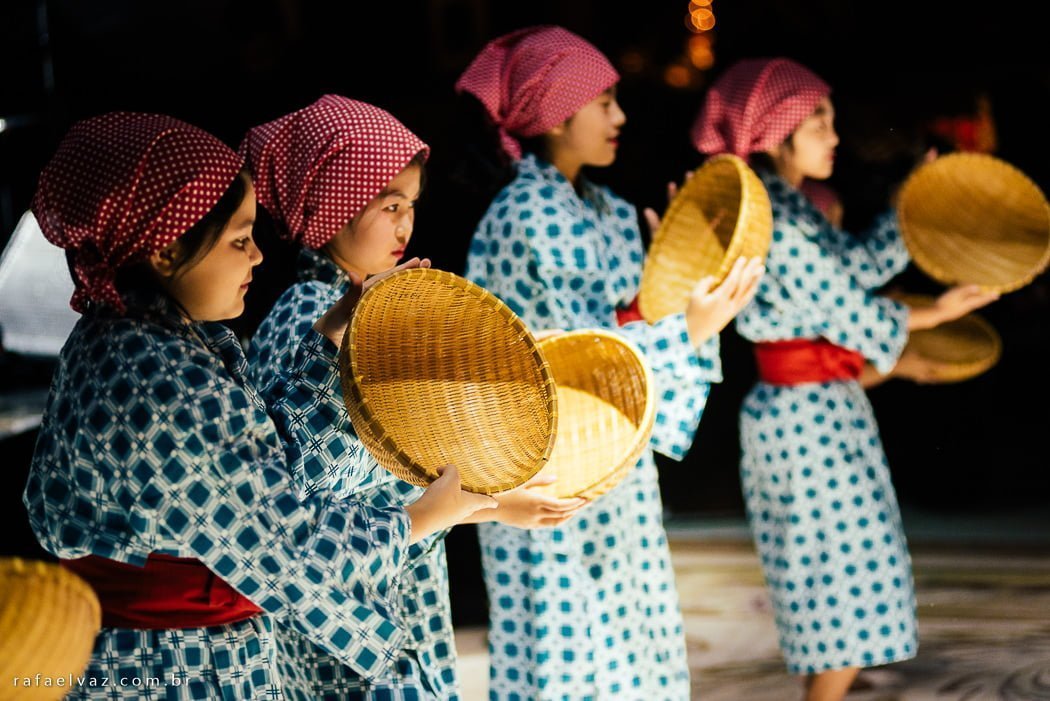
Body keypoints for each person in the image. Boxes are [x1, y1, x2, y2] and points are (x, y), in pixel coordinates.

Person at [23, 112, 495, 699]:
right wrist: (426, 515)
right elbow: (289, 536)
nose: (257, 258)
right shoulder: (154, 375)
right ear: (169, 252)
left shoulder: (143, 342)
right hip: (168, 665)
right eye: (239, 240)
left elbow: (269, 471)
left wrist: (331, 332)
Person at [243, 94, 585, 699]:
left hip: (386, 579)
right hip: (351, 602)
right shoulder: (310, 313)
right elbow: (325, 477)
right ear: (334, 207)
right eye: (389, 204)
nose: (405, 224)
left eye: (412, 205)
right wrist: (497, 503)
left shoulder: (353, 310)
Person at [457, 26, 764, 699]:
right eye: (604, 102)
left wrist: (683, 283)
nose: (620, 117)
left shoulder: (612, 211)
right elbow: (575, 359)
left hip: (611, 455)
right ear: (556, 116)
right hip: (550, 464)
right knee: (569, 651)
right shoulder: (526, 213)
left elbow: (629, 325)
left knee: (630, 637)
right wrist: (687, 326)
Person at [691, 58, 998, 701]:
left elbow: (856, 266)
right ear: (777, 136)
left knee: (837, 582)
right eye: (818, 123)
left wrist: (912, 208)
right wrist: (942, 308)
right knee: (838, 587)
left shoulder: (790, 207)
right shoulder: (773, 213)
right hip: (803, 420)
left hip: (815, 411)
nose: (834, 136)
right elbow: (852, 311)